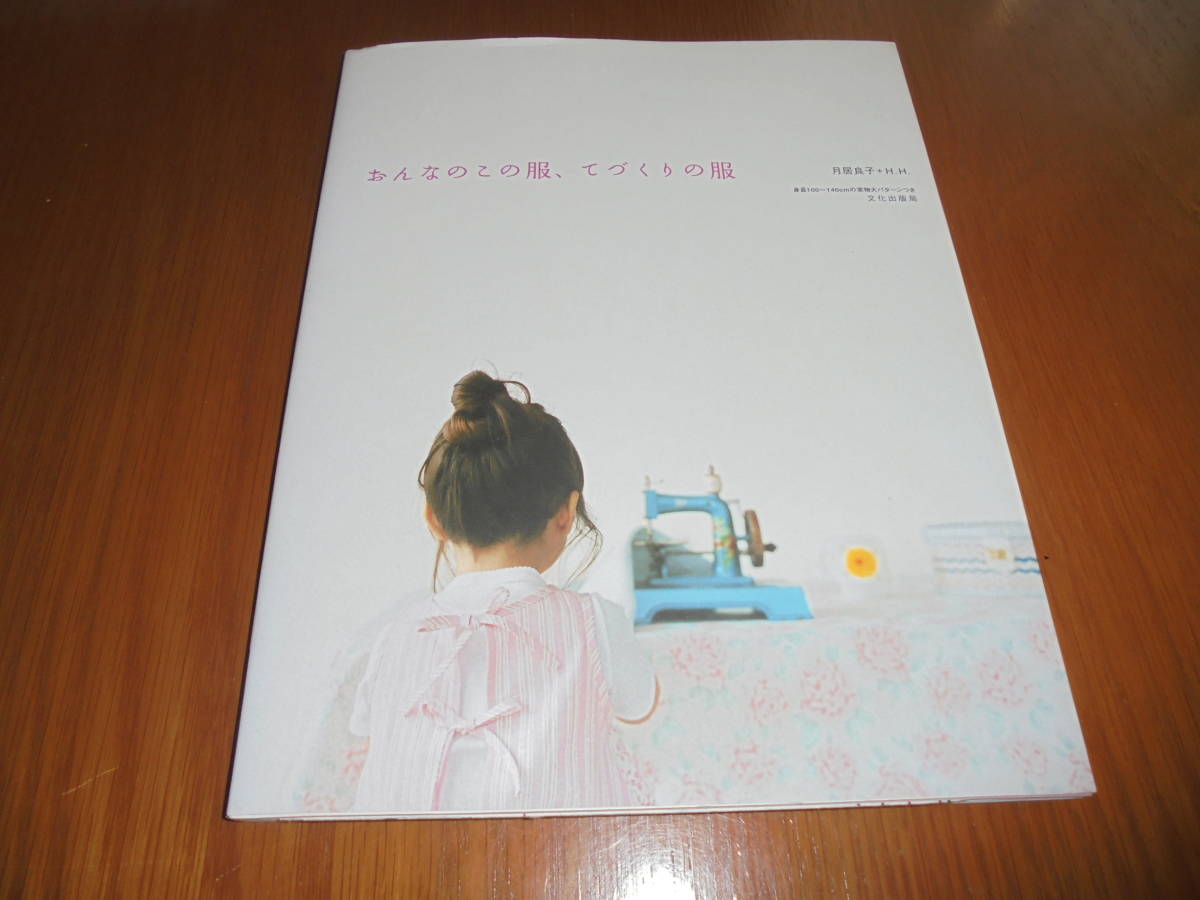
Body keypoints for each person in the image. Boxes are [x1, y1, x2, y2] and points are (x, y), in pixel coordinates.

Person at [350, 371, 658, 813]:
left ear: (433, 519)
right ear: (566, 514)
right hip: (553, 850)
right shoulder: (594, 621)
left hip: (404, 852)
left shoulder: (394, 636)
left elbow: (370, 739)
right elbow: (641, 706)